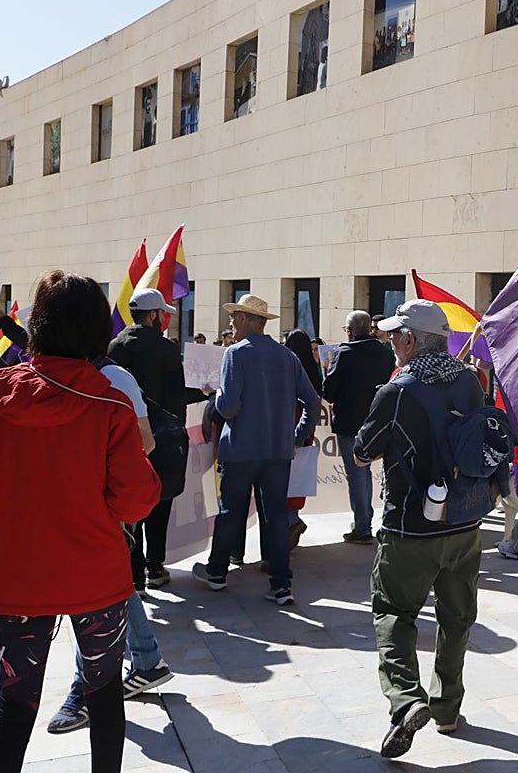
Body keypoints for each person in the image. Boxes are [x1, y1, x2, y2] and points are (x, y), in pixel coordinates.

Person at [0, 270, 161, 773]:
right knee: (104, 694)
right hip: (95, 574)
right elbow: (136, 502)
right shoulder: (109, 403)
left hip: (16, 577)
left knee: (14, 704)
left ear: (40, 325)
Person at [353, 299, 485, 758]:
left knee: (393, 613)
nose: (390, 342)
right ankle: (447, 709)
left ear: (410, 340)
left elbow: (362, 452)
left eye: (394, 336)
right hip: (466, 522)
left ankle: (407, 700)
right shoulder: (470, 381)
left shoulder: (396, 391)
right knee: (457, 617)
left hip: (410, 527)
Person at [47, 360, 173, 735]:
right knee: (111, 588)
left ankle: (84, 690)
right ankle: (147, 659)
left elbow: (145, 442)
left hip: (104, 507)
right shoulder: (57, 375)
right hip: (74, 507)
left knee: (90, 594)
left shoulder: (114, 377)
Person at [192, 294, 318, 606]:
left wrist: (216, 395)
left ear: (247, 319)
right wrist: (297, 436)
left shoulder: (236, 354)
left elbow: (228, 407)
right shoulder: (287, 356)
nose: (230, 322)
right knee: (276, 516)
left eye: (234, 316)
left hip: (241, 450)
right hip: (277, 451)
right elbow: (312, 401)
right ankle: (281, 584)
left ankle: (217, 572)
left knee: (230, 512)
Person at [107, 288, 187, 593]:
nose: (164, 319)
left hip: (125, 439)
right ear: (153, 315)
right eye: (162, 314)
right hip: (163, 439)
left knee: (131, 508)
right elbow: (177, 397)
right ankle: (155, 566)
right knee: (160, 502)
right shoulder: (167, 349)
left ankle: (134, 573)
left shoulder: (115, 347)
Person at [323, 310, 394, 545]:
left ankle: (363, 526)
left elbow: (329, 393)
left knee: (357, 474)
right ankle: (373, 522)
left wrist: (327, 371)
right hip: (380, 422)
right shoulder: (384, 353)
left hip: (351, 423)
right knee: (374, 473)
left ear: (350, 331)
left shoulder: (344, 354)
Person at [282, 329, 324, 549]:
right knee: (298, 476)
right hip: (306, 429)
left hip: (291, 428)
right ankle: (293, 520)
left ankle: (291, 523)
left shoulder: (289, 368)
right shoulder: (312, 370)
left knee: (285, 478)